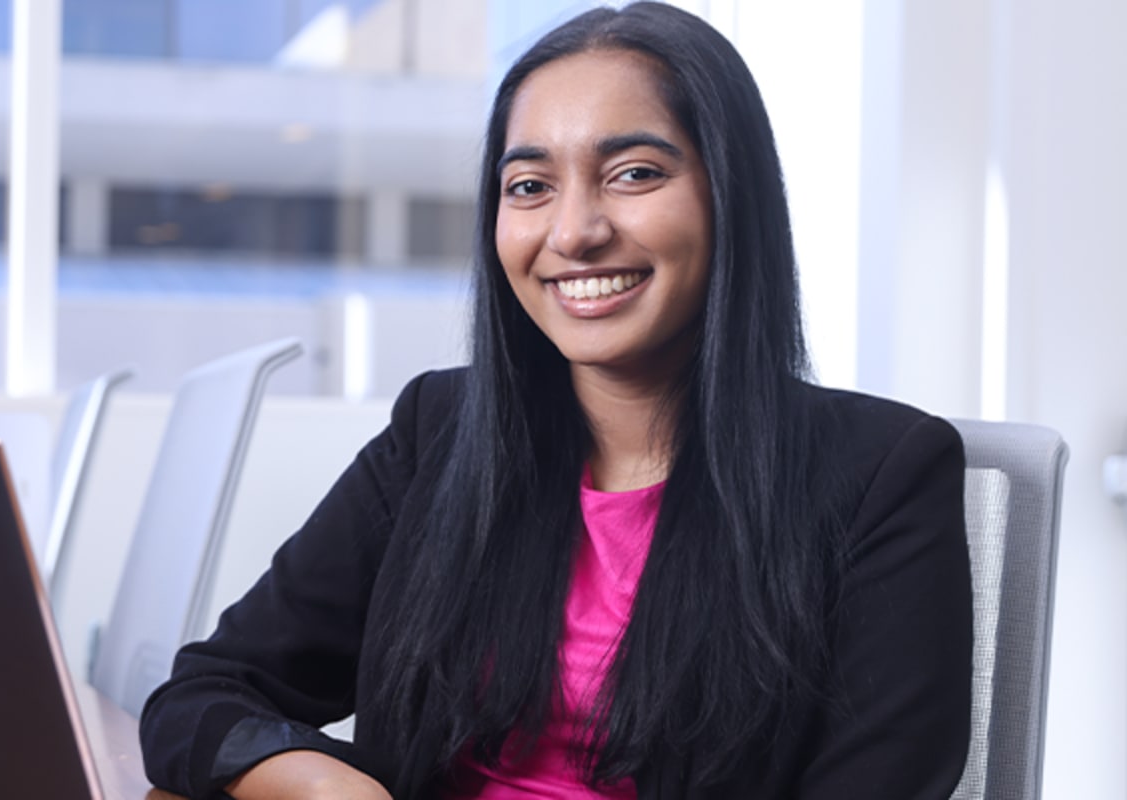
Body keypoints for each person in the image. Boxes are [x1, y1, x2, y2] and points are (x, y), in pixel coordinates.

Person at [134, 4, 972, 798]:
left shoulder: (881, 477)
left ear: (731, 197)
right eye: (529, 186)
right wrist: (323, 780)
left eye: (633, 173)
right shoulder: (440, 436)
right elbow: (203, 698)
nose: (573, 232)